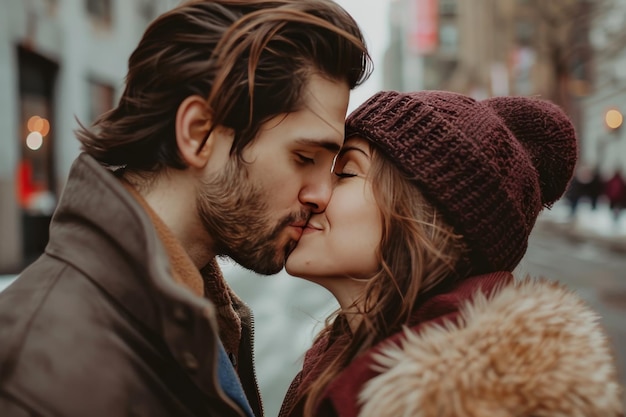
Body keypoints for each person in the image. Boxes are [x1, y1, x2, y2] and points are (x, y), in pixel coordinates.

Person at [0, 1, 371, 416]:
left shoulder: (198, 313)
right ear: (198, 134)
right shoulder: (40, 364)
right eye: (304, 158)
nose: (322, 195)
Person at [280, 91, 624, 417]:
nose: (316, 193)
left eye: (346, 173)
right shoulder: (337, 363)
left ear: (426, 215)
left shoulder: (489, 402)